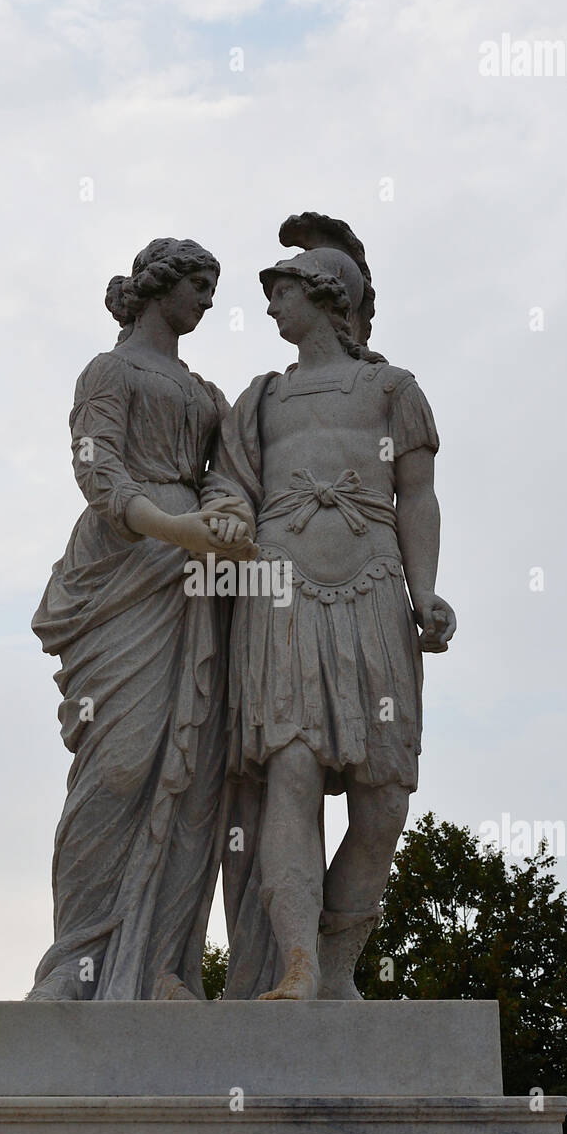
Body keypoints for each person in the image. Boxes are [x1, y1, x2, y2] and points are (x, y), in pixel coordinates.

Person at [204, 213, 456, 1000]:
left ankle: (339, 959)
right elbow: (229, 490)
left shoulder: (391, 389)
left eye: (281, 291)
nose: (272, 307)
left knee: (384, 794)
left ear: (322, 295)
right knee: (291, 772)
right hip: (278, 590)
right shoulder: (260, 397)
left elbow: (416, 495)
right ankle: (296, 966)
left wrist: (427, 590)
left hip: (374, 584)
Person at [27, 237, 253, 1002]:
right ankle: (75, 964)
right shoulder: (110, 370)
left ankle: (161, 965)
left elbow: (230, 477)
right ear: (160, 287)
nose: (207, 302)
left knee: (189, 775)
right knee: (119, 764)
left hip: (192, 580)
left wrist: (221, 514)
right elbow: (96, 466)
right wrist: (174, 526)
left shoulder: (207, 393)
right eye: (199, 284)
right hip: (126, 565)